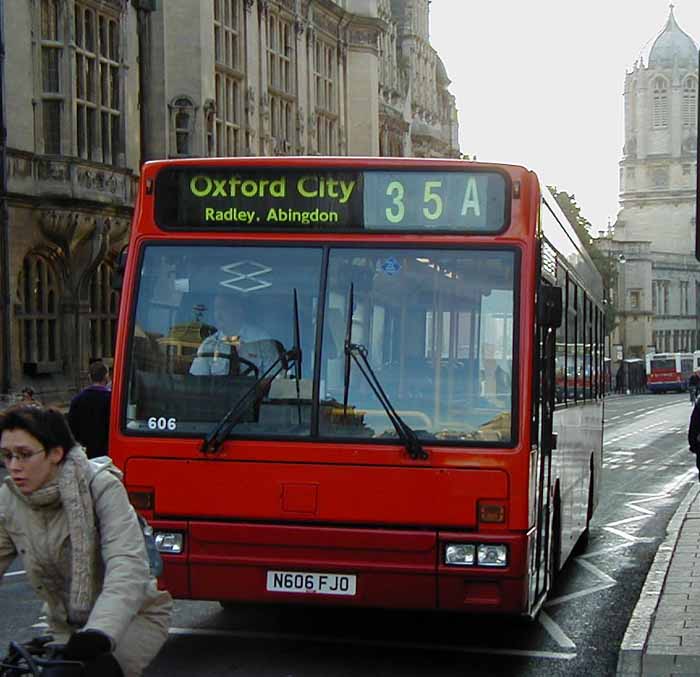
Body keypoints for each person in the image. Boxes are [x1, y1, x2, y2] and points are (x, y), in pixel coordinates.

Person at [0, 404, 172, 676]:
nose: (14, 466)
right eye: (7, 456)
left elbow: (127, 565)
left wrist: (100, 632)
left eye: (24, 455)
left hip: (129, 619)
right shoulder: (10, 499)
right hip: (64, 627)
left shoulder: (99, 486)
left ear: (56, 453)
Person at [189, 292, 278, 376]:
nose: (218, 315)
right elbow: (198, 380)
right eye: (216, 309)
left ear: (238, 310)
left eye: (223, 308)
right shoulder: (209, 345)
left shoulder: (261, 340)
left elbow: (275, 378)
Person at [68, 361, 112, 458]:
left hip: (85, 452)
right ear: (106, 377)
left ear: (89, 377)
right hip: (107, 451)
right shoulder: (112, 399)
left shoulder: (77, 400)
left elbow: (71, 429)